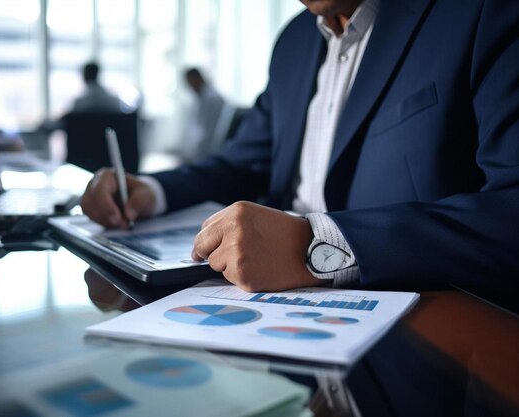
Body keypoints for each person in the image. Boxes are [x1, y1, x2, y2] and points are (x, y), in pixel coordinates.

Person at [81, 0, 519, 293]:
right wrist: (152, 191)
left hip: (425, 314)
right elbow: (243, 160)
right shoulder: (294, 41)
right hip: (279, 309)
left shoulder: (483, 12)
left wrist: (314, 245)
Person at [178, 68, 226, 162]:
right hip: (200, 150)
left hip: (209, 151)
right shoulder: (200, 98)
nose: (189, 86)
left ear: (197, 79)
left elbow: (207, 132)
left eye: (190, 82)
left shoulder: (212, 99)